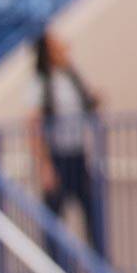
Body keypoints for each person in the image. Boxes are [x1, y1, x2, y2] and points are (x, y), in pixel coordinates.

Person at [30, 30, 104, 257]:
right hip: (56, 157)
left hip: (77, 154)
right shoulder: (41, 83)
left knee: (94, 215)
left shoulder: (72, 78)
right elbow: (35, 126)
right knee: (54, 219)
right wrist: (45, 166)